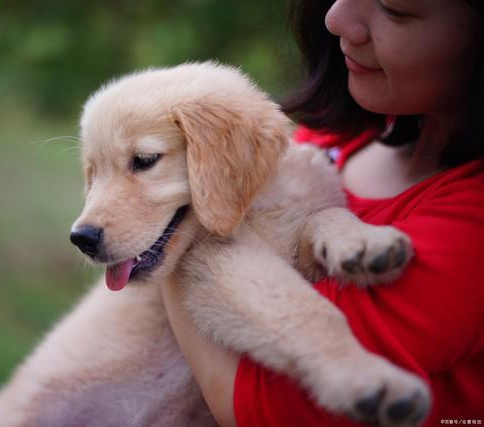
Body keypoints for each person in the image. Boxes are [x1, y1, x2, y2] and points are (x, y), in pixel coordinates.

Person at [159, 0, 484, 425]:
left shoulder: (471, 232)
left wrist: (170, 242)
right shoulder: (336, 138)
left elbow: (260, 405)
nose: (336, 18)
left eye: (394, 8)